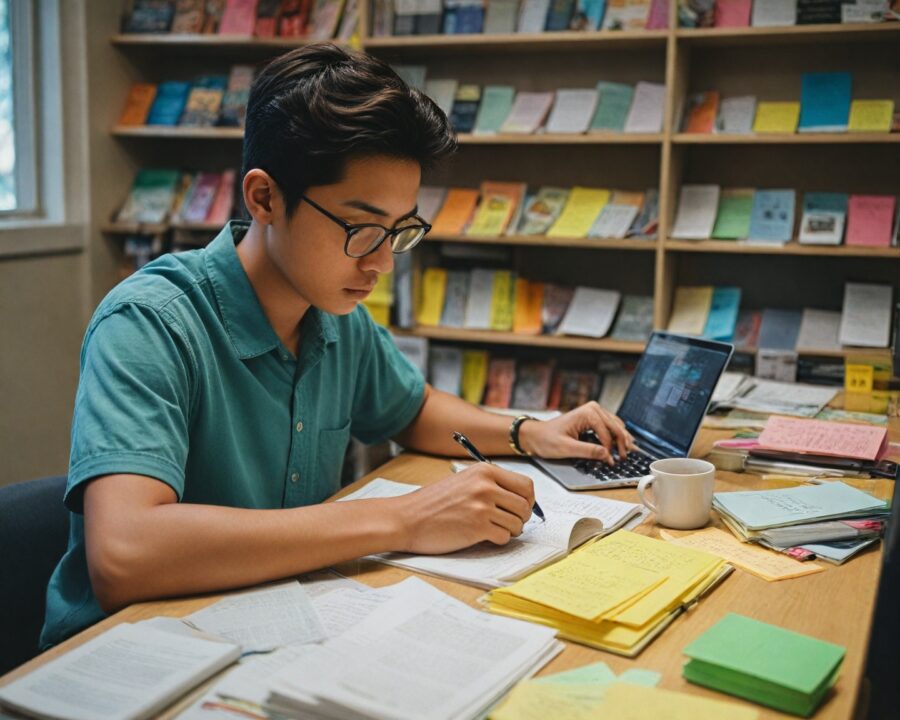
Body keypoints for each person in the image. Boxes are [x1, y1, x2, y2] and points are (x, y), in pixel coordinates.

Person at [41, 43, 634, 648]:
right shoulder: (150, 322)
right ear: (265, 198)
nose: (382, 263)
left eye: (400, 230)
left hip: (282, 625)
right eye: (360, 228)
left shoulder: (332, 311)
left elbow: (414, 410)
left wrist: (529, 431)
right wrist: (405, 519)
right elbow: (125, 556)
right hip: (135, 653)